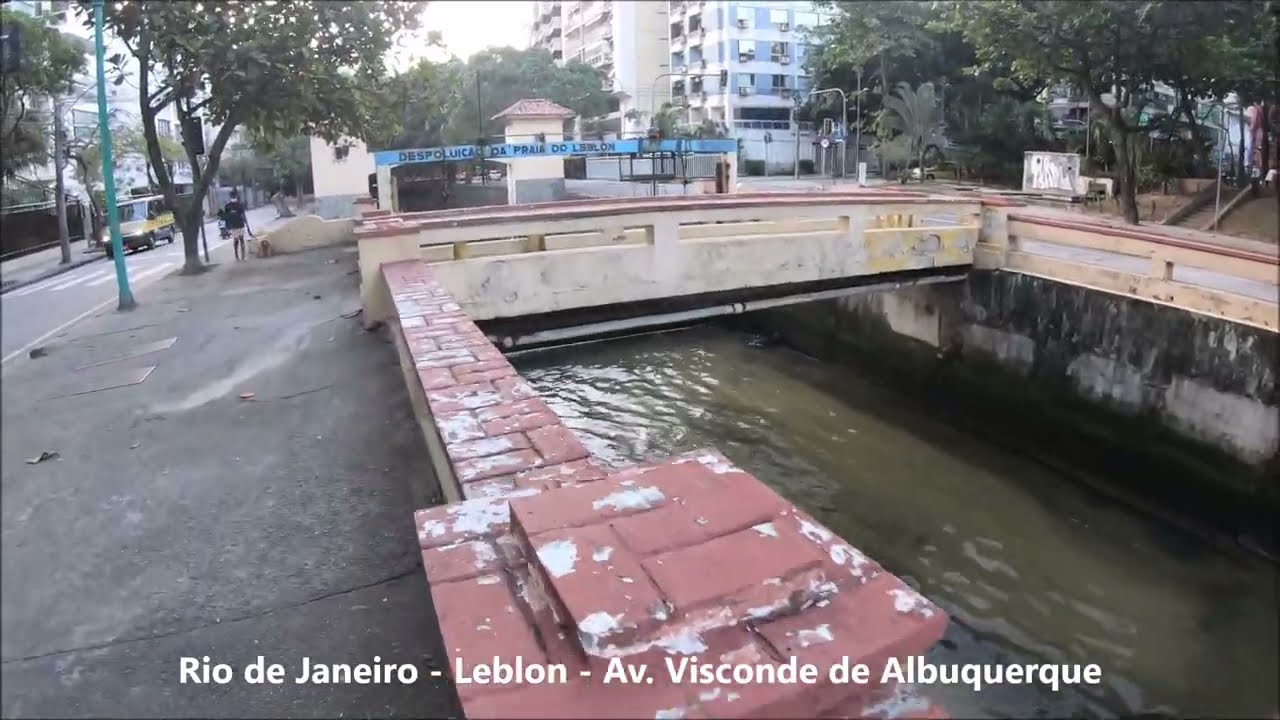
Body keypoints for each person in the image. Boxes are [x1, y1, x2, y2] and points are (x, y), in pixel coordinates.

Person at [223, 191, 250, 261]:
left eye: (234, 197)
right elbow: (226, 217)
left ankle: (243, 256)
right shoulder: (227, 206)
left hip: (240, 224)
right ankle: (237, 256)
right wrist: (227, 227)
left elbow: (243, 215)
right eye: (232, 197)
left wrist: (247, 225)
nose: (233, 198)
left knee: (241, 240)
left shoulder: (240, 205)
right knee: (236, 241)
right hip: (233, 226)